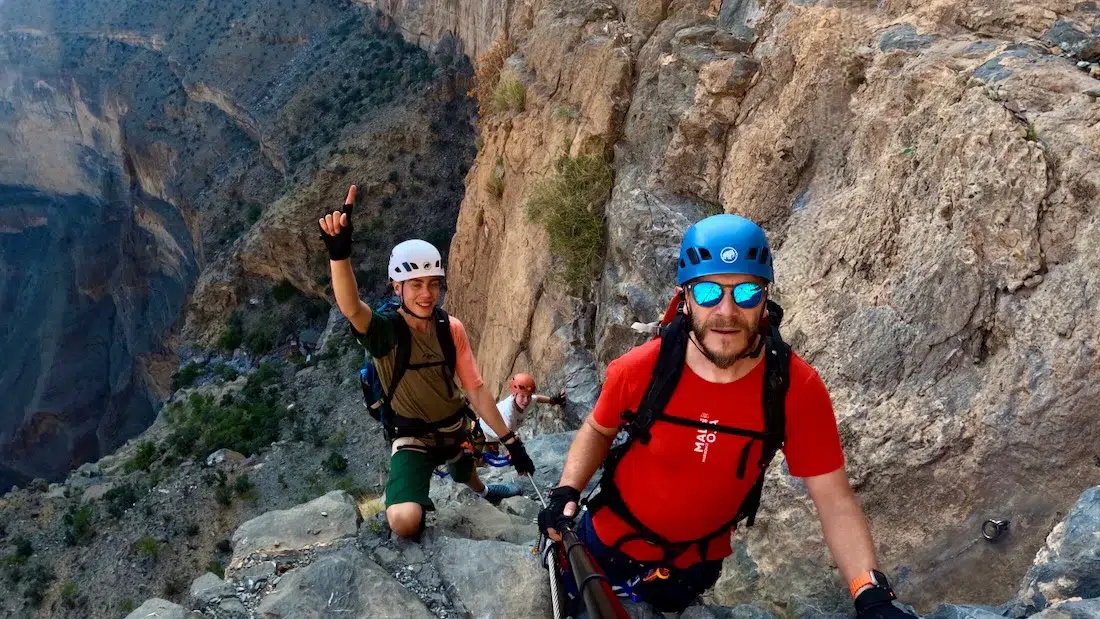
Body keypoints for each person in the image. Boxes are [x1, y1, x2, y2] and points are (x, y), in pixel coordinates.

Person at [537, 214, 917, 618]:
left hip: (692, 566)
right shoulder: (641, 370)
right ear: (684, 297)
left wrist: (869, 591)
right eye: (707, 293)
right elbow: (599, 428)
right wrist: (568, 489)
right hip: (606, 543)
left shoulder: (794, 388)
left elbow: (834, 499)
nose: (727, 311)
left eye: (747, 293)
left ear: (766, 297)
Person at [318, 185, 535, 539]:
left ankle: (481, 491)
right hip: (412, 437)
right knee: (404, 522)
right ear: (396, 288)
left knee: (466, 471)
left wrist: (512, 443)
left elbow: (476, 391)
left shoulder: (450, 328)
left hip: (454, 429)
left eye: (433, 284)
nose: (426, 294)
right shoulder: (385, 332)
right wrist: (339, 254)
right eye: (415, 284)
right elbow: (352, 308)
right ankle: (427, 495)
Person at [479, 372, 567, 455]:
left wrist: (553, 400)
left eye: (528, 396)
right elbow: (507, 436)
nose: (526, 400)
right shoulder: (508, 413)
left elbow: (537, 398)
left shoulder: (527, 400)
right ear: (514, 395)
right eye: (522, 396)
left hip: (493, 430)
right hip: (485, 429)